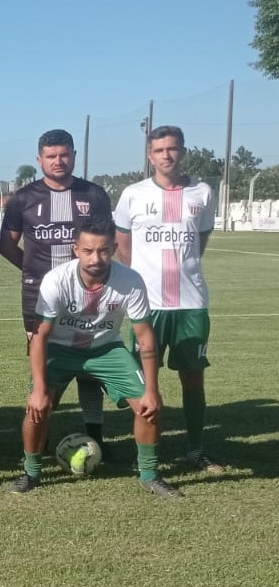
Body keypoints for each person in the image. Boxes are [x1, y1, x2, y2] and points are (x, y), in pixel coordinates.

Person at [9, 217, 182, 497]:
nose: (96, 258)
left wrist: (152, 389)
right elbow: (39, 336)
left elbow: (146, 337)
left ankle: (149, 474)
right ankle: (31, 471)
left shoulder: (130, 280)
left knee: (147, 406)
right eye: (88, 251)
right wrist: (40, 390)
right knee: (38, 407)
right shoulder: (57, 280)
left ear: (113, 249)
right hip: (59, 349)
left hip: (106, 349)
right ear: (76, 249)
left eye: (103, 250)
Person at [0, 129, 114, 456]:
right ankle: (42, 433)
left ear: (74, 156)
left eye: (64, 155)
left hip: (91, 292)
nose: (58, 161)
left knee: (90, 363)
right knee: (45, 364)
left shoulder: (93, 194)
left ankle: (96, 433)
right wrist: (34, 272)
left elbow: (104, 240)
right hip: (39, 298)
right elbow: (7, 243)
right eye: (51, 156)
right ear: (40, 160)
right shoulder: (23, 198)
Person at [114, 125, 221, 473]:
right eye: (159, 150)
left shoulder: (202, 193)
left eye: (173, 149)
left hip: (191, 303)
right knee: (143, 381)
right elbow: (123, 248)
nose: (166, 155)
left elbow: (198, 245)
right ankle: (145, 451)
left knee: (192, 376)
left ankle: (195, 449)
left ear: (183, 152)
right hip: (149, 305)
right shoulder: (133, 194)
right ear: (150, 156)